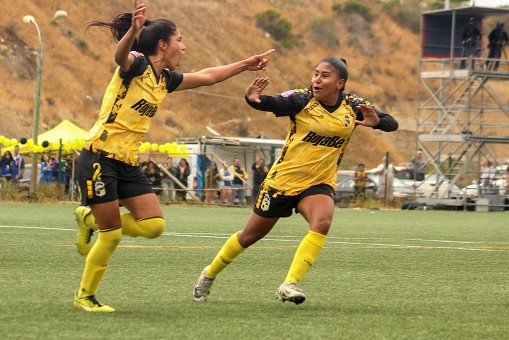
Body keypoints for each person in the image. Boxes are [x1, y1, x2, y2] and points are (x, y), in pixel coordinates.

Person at [72, 0, 275, 313]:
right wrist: (134, 32)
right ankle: (85, 296)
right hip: (99, 157)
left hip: (126, 163)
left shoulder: (164, 79)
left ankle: (89, 218)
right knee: (111, 236)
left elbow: (208, 76)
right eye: (180, 40)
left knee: (153, 226)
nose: (184, 47)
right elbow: (120, 57)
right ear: (163, 44)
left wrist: (245, 64)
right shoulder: (137, 64)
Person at [193, 57, 398, 304]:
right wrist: (254, 98)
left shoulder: (353, 105)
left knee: (322, 221)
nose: (317, 80)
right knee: (248, 236)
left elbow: (390, 122)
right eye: (315, 74)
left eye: (324, 76)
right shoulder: (302, 100)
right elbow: (272, 102)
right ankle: (209, 273)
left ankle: (289, 283)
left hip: (318, 183)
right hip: (283, 182)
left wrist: (377, 122)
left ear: (340, 83)